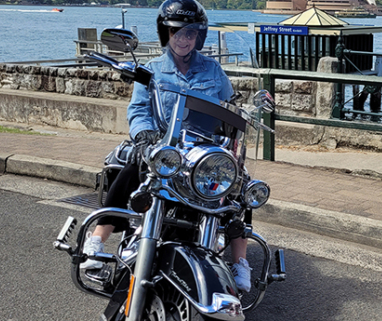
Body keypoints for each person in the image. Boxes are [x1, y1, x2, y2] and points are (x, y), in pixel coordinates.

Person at [81, 0, 253, 293]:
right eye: (177, 32)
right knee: (137, 164)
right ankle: (97, 239)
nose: (184, 39)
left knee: (240, 182)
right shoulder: (151, 71)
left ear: (199, 36)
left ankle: (240, 261)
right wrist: (145, 137)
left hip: (200, 153)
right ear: (166, 34)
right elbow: (138, 111)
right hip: (165, 148)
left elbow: (230, 108)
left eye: (190, 33)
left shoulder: (213, 70)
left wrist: (232, 145)